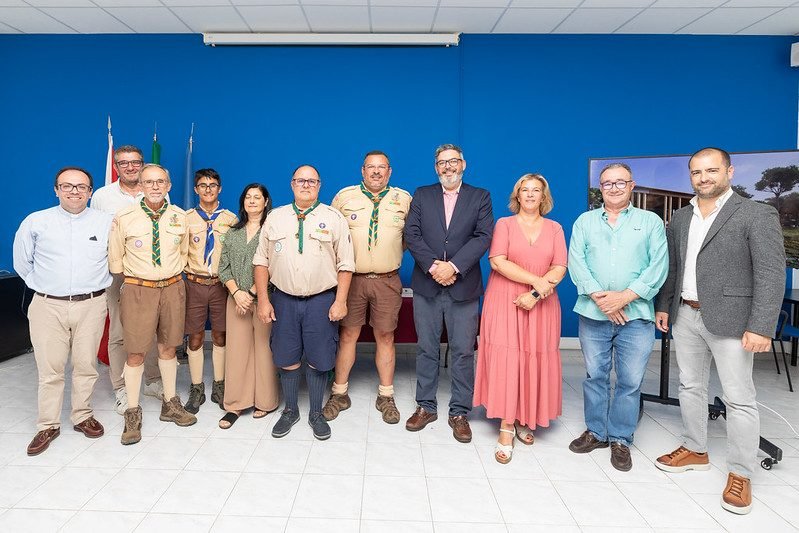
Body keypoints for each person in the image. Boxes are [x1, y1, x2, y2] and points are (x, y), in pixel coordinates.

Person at [654, 147, 785, 515]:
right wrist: (665, 306)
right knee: (690, 386)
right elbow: (675, 267)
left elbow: (771, 274)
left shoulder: (757, 214)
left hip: (734, 319)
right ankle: (695, 449)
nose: (703, 178)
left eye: (711, 171)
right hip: (686, 315)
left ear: (729, 171)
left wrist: (761, 325)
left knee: (738, 397)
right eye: (696, 172)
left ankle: (741, 473)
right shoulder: (680, 217)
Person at [567, 162, 668, 471]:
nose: (613, 188)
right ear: (601, 187)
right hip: (593, 313)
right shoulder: (584, 222)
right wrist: (602, 298)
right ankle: (596, 432)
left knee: (630, 380)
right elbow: (577, 262)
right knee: (595, 375)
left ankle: (621, 439)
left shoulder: (650, 222)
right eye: (607, 183)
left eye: (619, 183)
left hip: (636, 316)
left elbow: (658, 266)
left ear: (631, 185)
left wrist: (624, 297)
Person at [13, 167, 112, 455]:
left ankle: (82, 415)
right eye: (67, 186)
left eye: (81, 186)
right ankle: (48, 424)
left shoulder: (106, 222)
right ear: (56, 190)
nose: (74, 191)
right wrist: (44, 287)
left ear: (90, 191)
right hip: (48, 305)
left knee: (85, 365)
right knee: (50, 369)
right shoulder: (36, 222)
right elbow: (22, 262)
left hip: (92, 304)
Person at [254, 165, 355, 440]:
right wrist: (264, 300)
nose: (306, 185)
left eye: (311, 181)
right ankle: (290, 410)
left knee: (320, 358)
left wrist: (341, 301)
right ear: (292, 184)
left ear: (320, 185)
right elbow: (261, 261)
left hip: (322, 300)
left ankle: (315, 413)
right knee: (286, 355)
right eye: (301, 180)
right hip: (283, 299)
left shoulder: (334, 218)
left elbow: (346, 264)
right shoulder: (275, 217)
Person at [473, 174, 567, 463]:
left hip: (542, 304)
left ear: (543, 196)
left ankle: (528, 416)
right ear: (517, 195)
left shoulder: (554, 228)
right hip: (505, 301)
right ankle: (506, 424)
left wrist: (536, 293)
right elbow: (497, 261)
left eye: (535, 190)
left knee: (534, 357)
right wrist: (537, 282)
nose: (529, 195)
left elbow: (560, 266)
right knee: (508, 359)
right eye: (524, 190)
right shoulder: (504, 224)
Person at [404, 144, 493, 443]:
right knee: (426, 348)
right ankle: (425, 406)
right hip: (427, 284)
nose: (448, 167)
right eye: (442, 163)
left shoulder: (480, 196)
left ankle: (459, 412)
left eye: (453, 161)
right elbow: (411, 234)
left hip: (463, 286)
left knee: (463, 351)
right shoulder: (422, 194)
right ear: (435, 167)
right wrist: (433, 266)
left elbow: (484, 236)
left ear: (463, 164)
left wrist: (453, 267)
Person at [109, 164, 196, 445]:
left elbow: (183, 253)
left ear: (169, 185)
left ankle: (170, 403)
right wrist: (140, 280)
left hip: (172, 287)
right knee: (135, 352)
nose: (155, 187)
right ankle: (132, 412)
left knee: (169, 347)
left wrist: (166, 276)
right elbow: (116, 260)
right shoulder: (125, 217)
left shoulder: (180, 217)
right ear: (141, 187)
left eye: (161, 182)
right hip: (138, 289)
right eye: (149, 182)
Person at [323, 151, 412, 425]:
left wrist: (385, 256)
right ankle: (339, 393)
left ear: (389, 171)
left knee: (386, 336)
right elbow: (329, 236)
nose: (376, 172)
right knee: (348, 334)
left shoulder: (404, 199)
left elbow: (409, 238)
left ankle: (386, 395)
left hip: (387, 279)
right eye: (371, 167)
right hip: (352, 280)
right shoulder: (344, 197)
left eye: (381, 167)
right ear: (362, 171)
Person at [91, 145, 164, 415]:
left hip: (152, 275)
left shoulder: (155, 191)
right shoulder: (102, 197)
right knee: (119, 333)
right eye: (124, 163)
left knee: (155, 330)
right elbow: (97, 235)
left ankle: (153, 382)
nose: (130, 167)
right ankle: (121, 388)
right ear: (116, 167)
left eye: (135, 163)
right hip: (119, 275)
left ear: (143, 164)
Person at [217, 183, 279, 429]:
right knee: (237, 351)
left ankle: (265, 401)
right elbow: (223, 267)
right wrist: (236, 292)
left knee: (264, 350)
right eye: (248, 197)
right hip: (236, 300)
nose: (252, 201)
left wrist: (252, 293)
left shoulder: (273, 231)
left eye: (257, 197)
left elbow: (275, 265)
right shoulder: (232, 232)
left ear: (266, 202)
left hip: (264, 298)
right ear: (243, 202)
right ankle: (235, 404)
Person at [183, 168, 238, 414]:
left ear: (220, 189)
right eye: (203, 185)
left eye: (213, 185)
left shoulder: (230, 219)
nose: (208, 189)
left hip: (220, 284)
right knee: (194, 337)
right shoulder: (185, 219)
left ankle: (219, 384)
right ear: (196, 189)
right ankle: (196, 386)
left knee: (220, 335)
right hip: (194, 283)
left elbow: (236, 255)